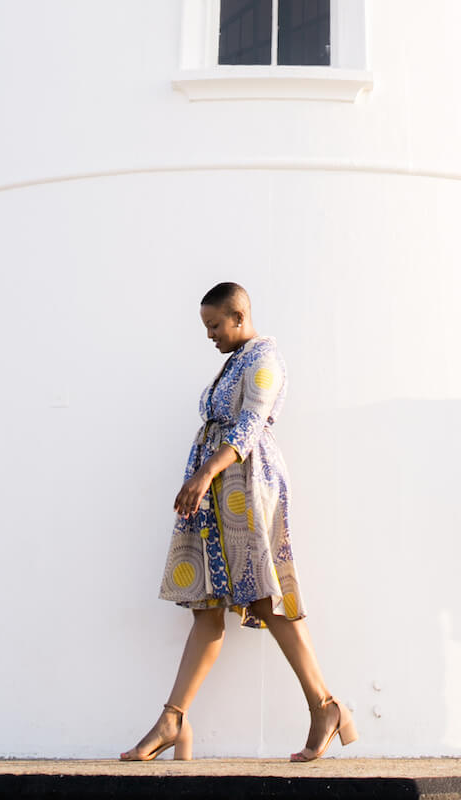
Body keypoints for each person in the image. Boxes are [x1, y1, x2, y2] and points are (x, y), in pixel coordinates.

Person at [120, 281, 357, 764]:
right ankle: (173, 720)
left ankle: (325, 706)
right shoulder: (236, 361)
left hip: (244, 485)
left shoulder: (264, 359)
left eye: (214, 325)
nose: (209, 335)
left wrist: (205, 473)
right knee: (206, 606)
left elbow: (250, 424)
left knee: (267, 596)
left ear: (239, 316)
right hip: (216, 491)